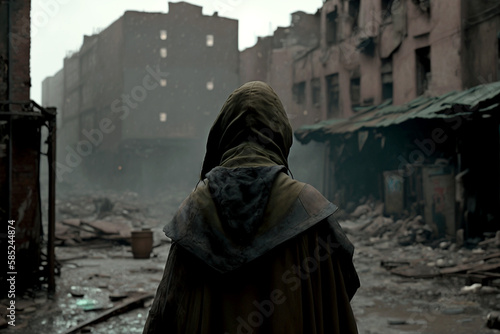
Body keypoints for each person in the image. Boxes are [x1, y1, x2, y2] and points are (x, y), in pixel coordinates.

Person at [143, 81, 359, 334]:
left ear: (224, 134)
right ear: (280, 134)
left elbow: (166, 313)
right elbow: (336, 310)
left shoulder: (195, 210)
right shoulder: (309, 206)